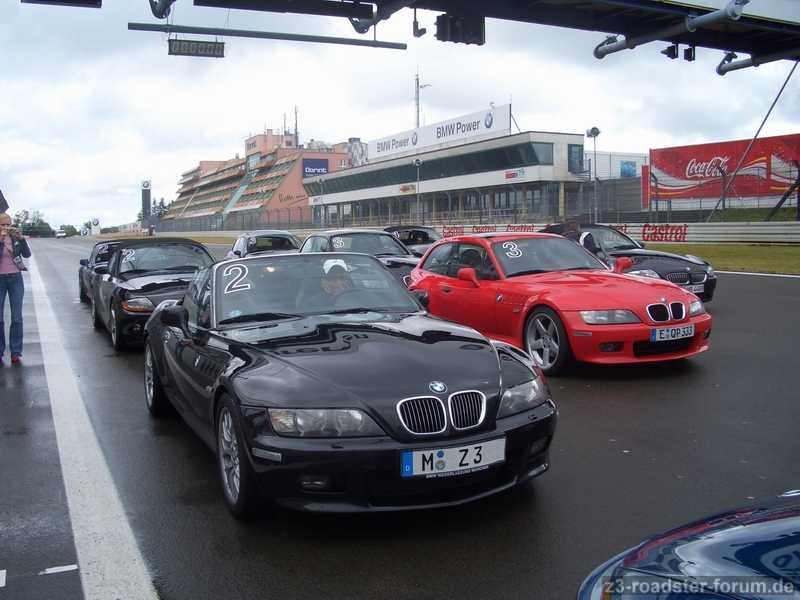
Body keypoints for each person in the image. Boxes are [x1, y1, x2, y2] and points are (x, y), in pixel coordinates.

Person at [0, 212, 31, 365]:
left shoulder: (15, 238)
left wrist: (21, 239)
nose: (6, 227)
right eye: (3, 224)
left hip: (15, 278)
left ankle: (16, 352)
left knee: (16, 317)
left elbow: (27, 254)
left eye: (8, 224)